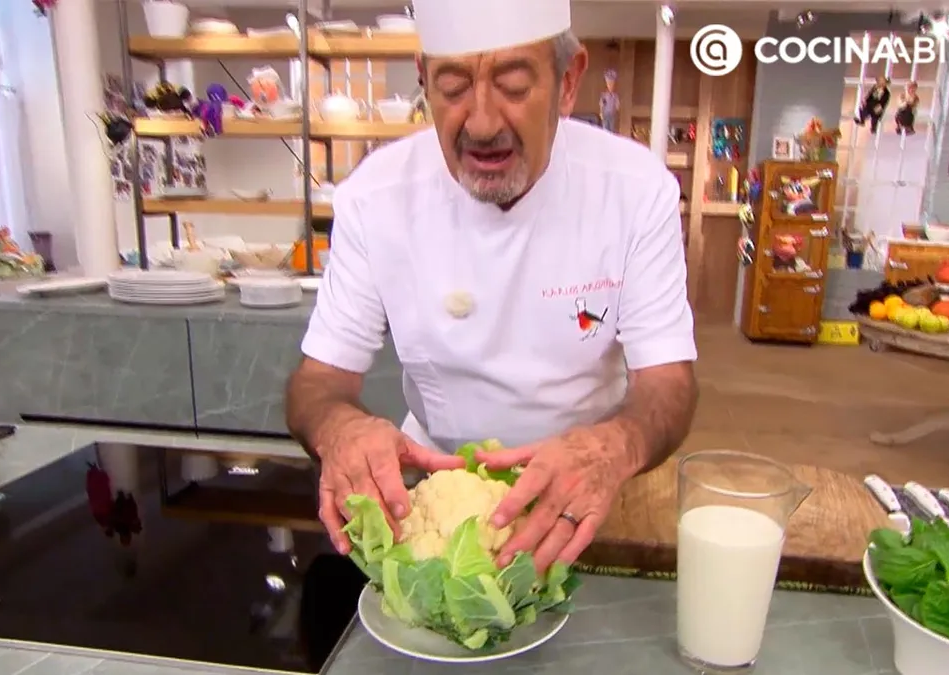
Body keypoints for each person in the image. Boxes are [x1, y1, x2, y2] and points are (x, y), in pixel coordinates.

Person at [285, 0, 699, 572]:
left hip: (593, 488)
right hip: (437, 501)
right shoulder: (375, 198)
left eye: (514, 85)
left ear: (568, 81)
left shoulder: (634, 190)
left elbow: (669, 382)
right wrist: (339, 428)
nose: (481, 124)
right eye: (453, 86)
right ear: (424, 81)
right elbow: (318, 381)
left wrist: (613, 448)